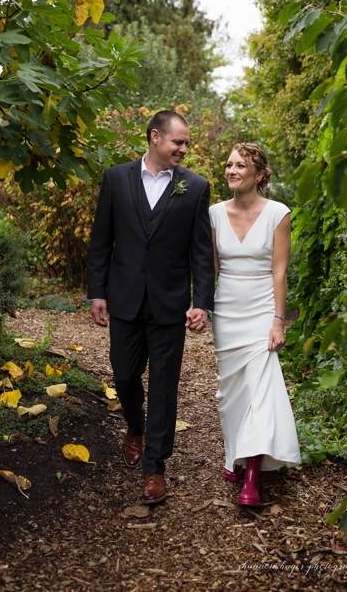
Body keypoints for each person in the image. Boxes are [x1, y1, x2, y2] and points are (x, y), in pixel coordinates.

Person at [85, 109, 215, 505]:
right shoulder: (116, 178)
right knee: (124, 375)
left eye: (186, 143)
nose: (184, 149)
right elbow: (100, 240)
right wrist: (97, 291)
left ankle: (155, 467)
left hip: (169, 303)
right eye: (178, 142)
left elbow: (201, 252)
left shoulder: (194, 187)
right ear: (155, 137)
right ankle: (134, 426)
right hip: (124, 297)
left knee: (163, 384)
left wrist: (201, 302)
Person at [209, 143, 300, 506]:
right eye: (229, 164)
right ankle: (235, 452)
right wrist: (198, 306)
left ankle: (252, 476)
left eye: (240, 166)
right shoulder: (214, 213)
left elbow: (280, 271)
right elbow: (210, 269)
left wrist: (278, 320)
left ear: (259, 175)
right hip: (226, 308)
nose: (231, 170)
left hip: (262, 306)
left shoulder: (278, 213)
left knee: (261, 387)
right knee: (231, 390)